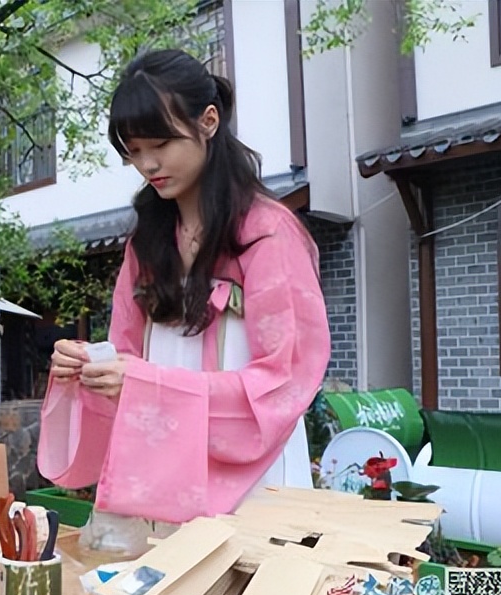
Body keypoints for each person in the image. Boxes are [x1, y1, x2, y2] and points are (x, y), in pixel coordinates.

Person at [38, 50, 331, 528]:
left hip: (255, 479)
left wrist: (153, 386)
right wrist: (84, 364)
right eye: (133, 151)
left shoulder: (267, 235)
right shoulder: (146, 242)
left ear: (209, 121)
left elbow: (284, 381)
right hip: (163, 473)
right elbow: (124, 354)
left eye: (160, 143)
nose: (147, 164)